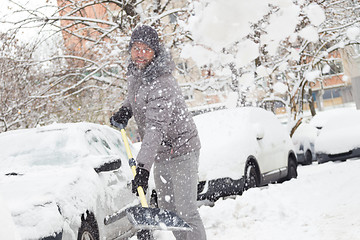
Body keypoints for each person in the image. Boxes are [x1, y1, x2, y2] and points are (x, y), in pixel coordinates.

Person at [110, 25, 206, 240]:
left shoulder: (162, 81)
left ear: (155, 52)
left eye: (146, 49)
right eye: (136, 48)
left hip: (182, 150)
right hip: (161, 153)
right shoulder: (136, 74)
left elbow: (155, 128)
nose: (140, 54)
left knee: (186, 212)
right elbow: (136, 97)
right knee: (169, 211)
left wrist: (142, 168)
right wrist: (126, 109)